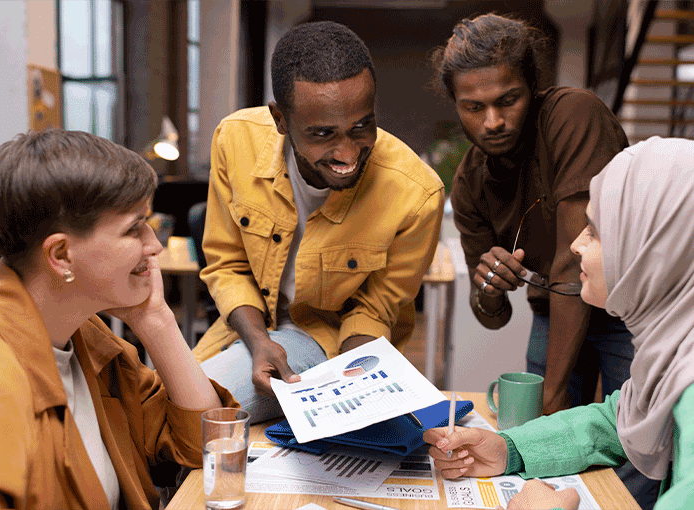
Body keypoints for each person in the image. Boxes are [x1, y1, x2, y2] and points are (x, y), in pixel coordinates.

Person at [192, 21, 444, 425]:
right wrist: (258, 341)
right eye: (323, 134)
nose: (347, 153)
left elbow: (375, 310)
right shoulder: (234, 141)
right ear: (280, 119)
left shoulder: (416, 194)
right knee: (162, 402)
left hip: (328, 338)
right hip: (248, 326)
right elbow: (227, 265)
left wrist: (351, 382)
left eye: (362, 126)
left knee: (198, 412)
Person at [424, 136, 694, 510]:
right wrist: (509, 448)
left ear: (656, 250)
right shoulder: (676, 358)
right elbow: (616, 421)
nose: (576, 246)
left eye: (597, 232)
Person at [0, 129, 239, 509]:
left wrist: (156, 320)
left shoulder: (85, 335)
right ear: (61, 255)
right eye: (134, 228)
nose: (154, 245)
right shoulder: (6, 379)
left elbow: (203, 446)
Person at [433, 13, 634, 415]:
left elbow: (571, 261)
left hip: (625, 306)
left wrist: (554, 393)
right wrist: (489, 289)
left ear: (533, 87)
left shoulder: (574, 115)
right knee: (545, 450)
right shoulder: (470, 183)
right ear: (456, 105)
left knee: (635, 448)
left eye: (508, 100)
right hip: (553, 310)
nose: (493, 122)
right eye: (474, 107)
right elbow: (493, 316)